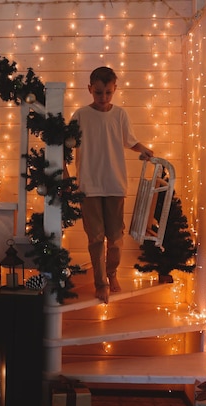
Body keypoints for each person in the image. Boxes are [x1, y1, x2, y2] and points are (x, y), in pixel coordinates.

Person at [71, 66, 153, 304]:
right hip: (88, 186)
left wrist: (144, 149)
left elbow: (130, 140)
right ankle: (101, 283)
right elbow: (66, 143)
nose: (103, 97)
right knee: (95, 238)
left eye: (108, 92)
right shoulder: (80, 115)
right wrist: (66, 173)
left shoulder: (120, 115)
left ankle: (112, 273)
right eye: (98, 92)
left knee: (116, 238)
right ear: (90, 89)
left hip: (115, 184)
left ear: (114, 89)